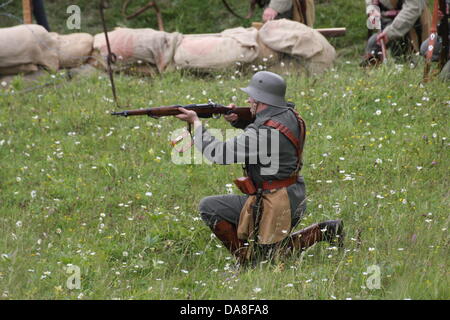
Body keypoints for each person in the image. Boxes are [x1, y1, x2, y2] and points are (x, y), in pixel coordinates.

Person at [175, 71, 343, 265]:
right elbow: (264, 125)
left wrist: (196, 124)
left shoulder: (263, 134)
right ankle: (325, 230)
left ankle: (247, 262)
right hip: (292, 195)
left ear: (260, 101)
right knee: (273, 254)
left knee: (210, 207)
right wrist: (238, 120)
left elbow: (218, 153)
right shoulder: (288, 114)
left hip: (275, 204)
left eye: (251, 97)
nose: (248, 100)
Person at [362, 0, 431, 66]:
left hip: (413, 24)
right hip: (386, 20)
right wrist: (372, 7)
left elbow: (413, 8)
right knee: (373, 45)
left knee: (405, 55)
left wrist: (390, 32)